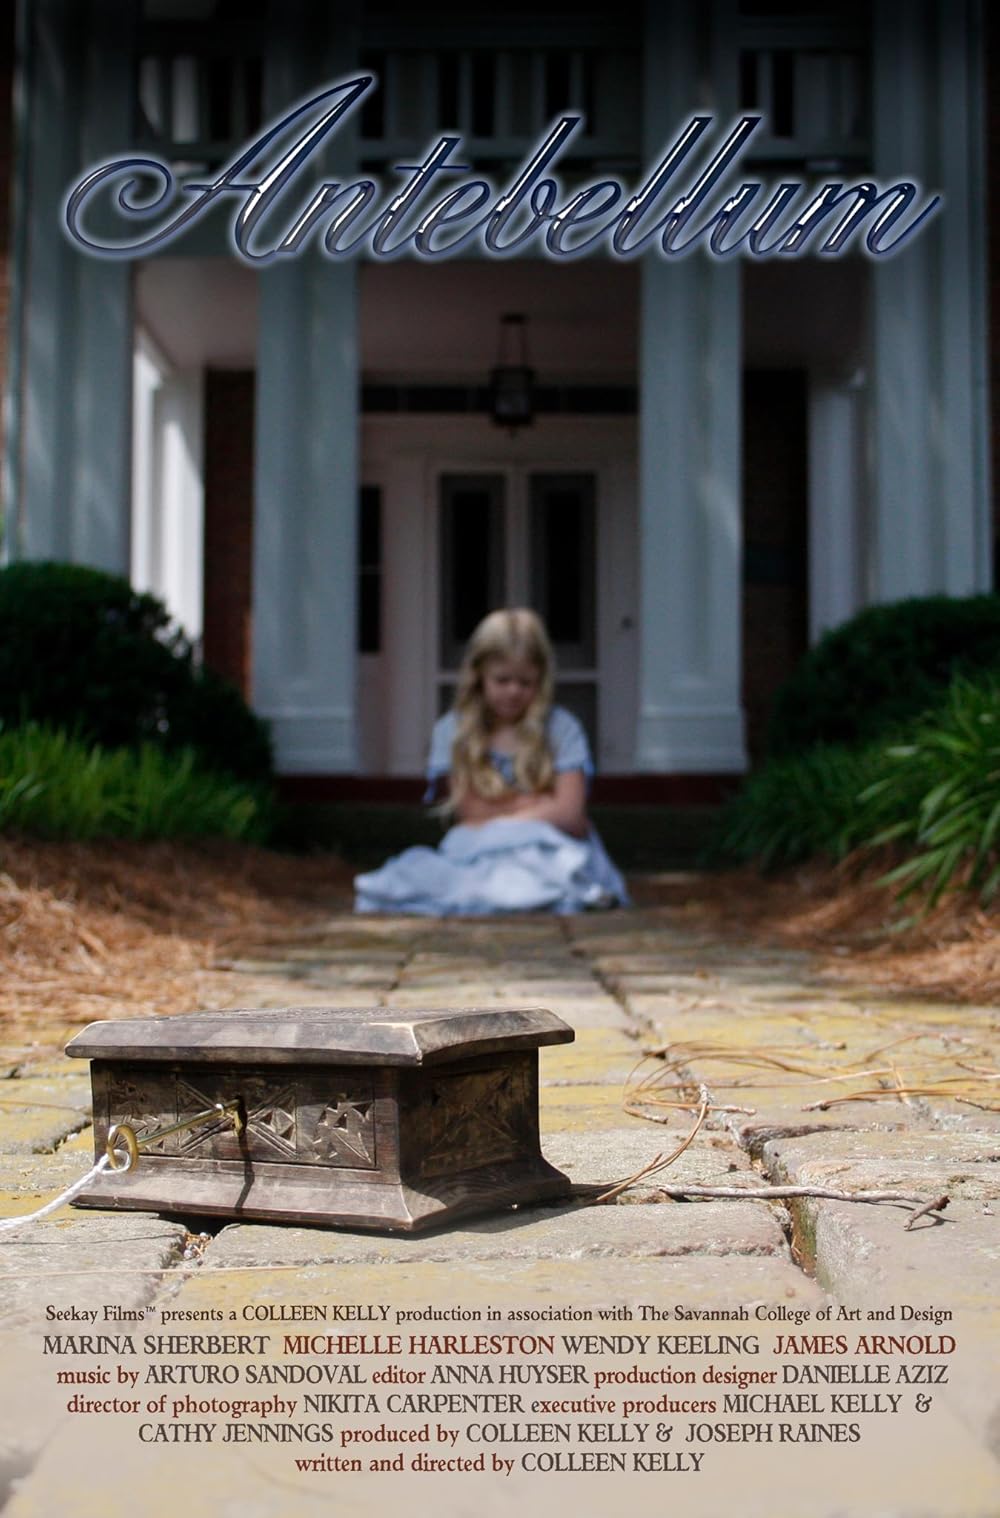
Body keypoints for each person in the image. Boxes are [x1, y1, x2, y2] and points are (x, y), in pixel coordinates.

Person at [354, 608, 629, 915]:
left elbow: (570, 815)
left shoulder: (562, 728)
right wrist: (538, 803)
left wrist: (501, 812)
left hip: (549, 847)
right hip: (482, 849)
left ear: (541, 679)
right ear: (479, 674)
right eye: (502, 680)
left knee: (551, 864)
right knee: (428, 874)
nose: (513, 691)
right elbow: (470, 810)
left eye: (525, 682)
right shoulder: (453, 730)